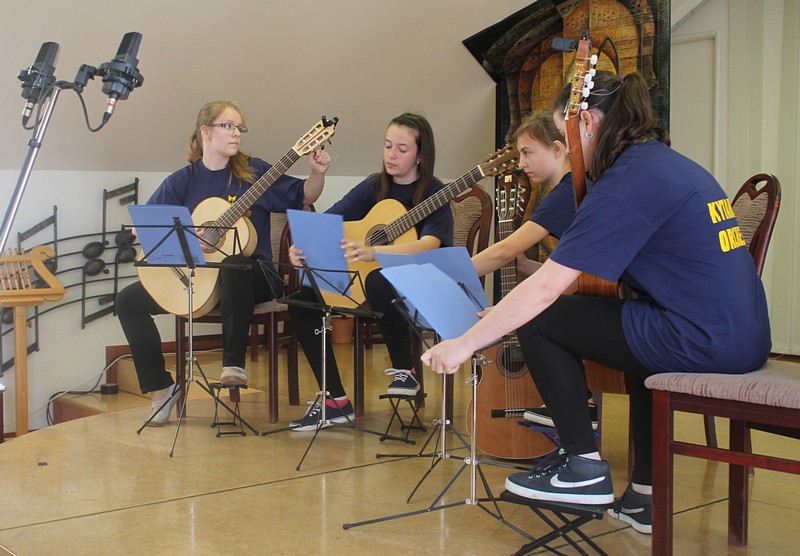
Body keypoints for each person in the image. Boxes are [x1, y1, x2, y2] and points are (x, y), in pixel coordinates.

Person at [422, 71, 771, 535]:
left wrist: (464, 343)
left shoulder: (628, 178)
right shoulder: (661, 163)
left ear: (586, 122)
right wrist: (503, 315)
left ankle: (582, 466)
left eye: (564, 135)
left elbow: (546, 290)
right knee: (637, 350)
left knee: (541, 319)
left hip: (706, 339)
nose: (567, 151)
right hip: (742, 335)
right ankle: (644, 497)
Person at [116, 100, 331, 426]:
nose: (236, 133)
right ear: (205, 131)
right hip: (202, 279)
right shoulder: (183, 180)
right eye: (227, 126)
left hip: (255, 275)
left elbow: (306, 195)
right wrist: (187, 234)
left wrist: (317, 172)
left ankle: (233, 364)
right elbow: (146, 226)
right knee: (127, 301)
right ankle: (161, 388)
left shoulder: (254, 171)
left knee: (233, 264)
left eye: (239, 127)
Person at [288, 112, 453, 431]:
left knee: (380, 277)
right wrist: (303, 247)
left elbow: (430, 244)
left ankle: (406, 372)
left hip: (415, 285)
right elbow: (328, 221)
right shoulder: (374, 186)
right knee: (302, 297)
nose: (391, 154)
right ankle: (335, 401)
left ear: (421, 155)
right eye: (388, 145)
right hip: (363, 281)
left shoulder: (435, 192)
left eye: (402, 149)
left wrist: (376, 252)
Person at [470, 110, 598, 429]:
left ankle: (576, 403)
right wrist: (528, 266)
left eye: (527, 153)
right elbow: (578, 274)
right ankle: (580, 402)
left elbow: (505, 250)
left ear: (558, 148)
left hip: (608, 304)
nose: (521, 163)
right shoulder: (574, 188)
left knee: (531, 314)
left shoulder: (566, 193)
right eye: (519, 155)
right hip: (600, 293)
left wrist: (452, 272)